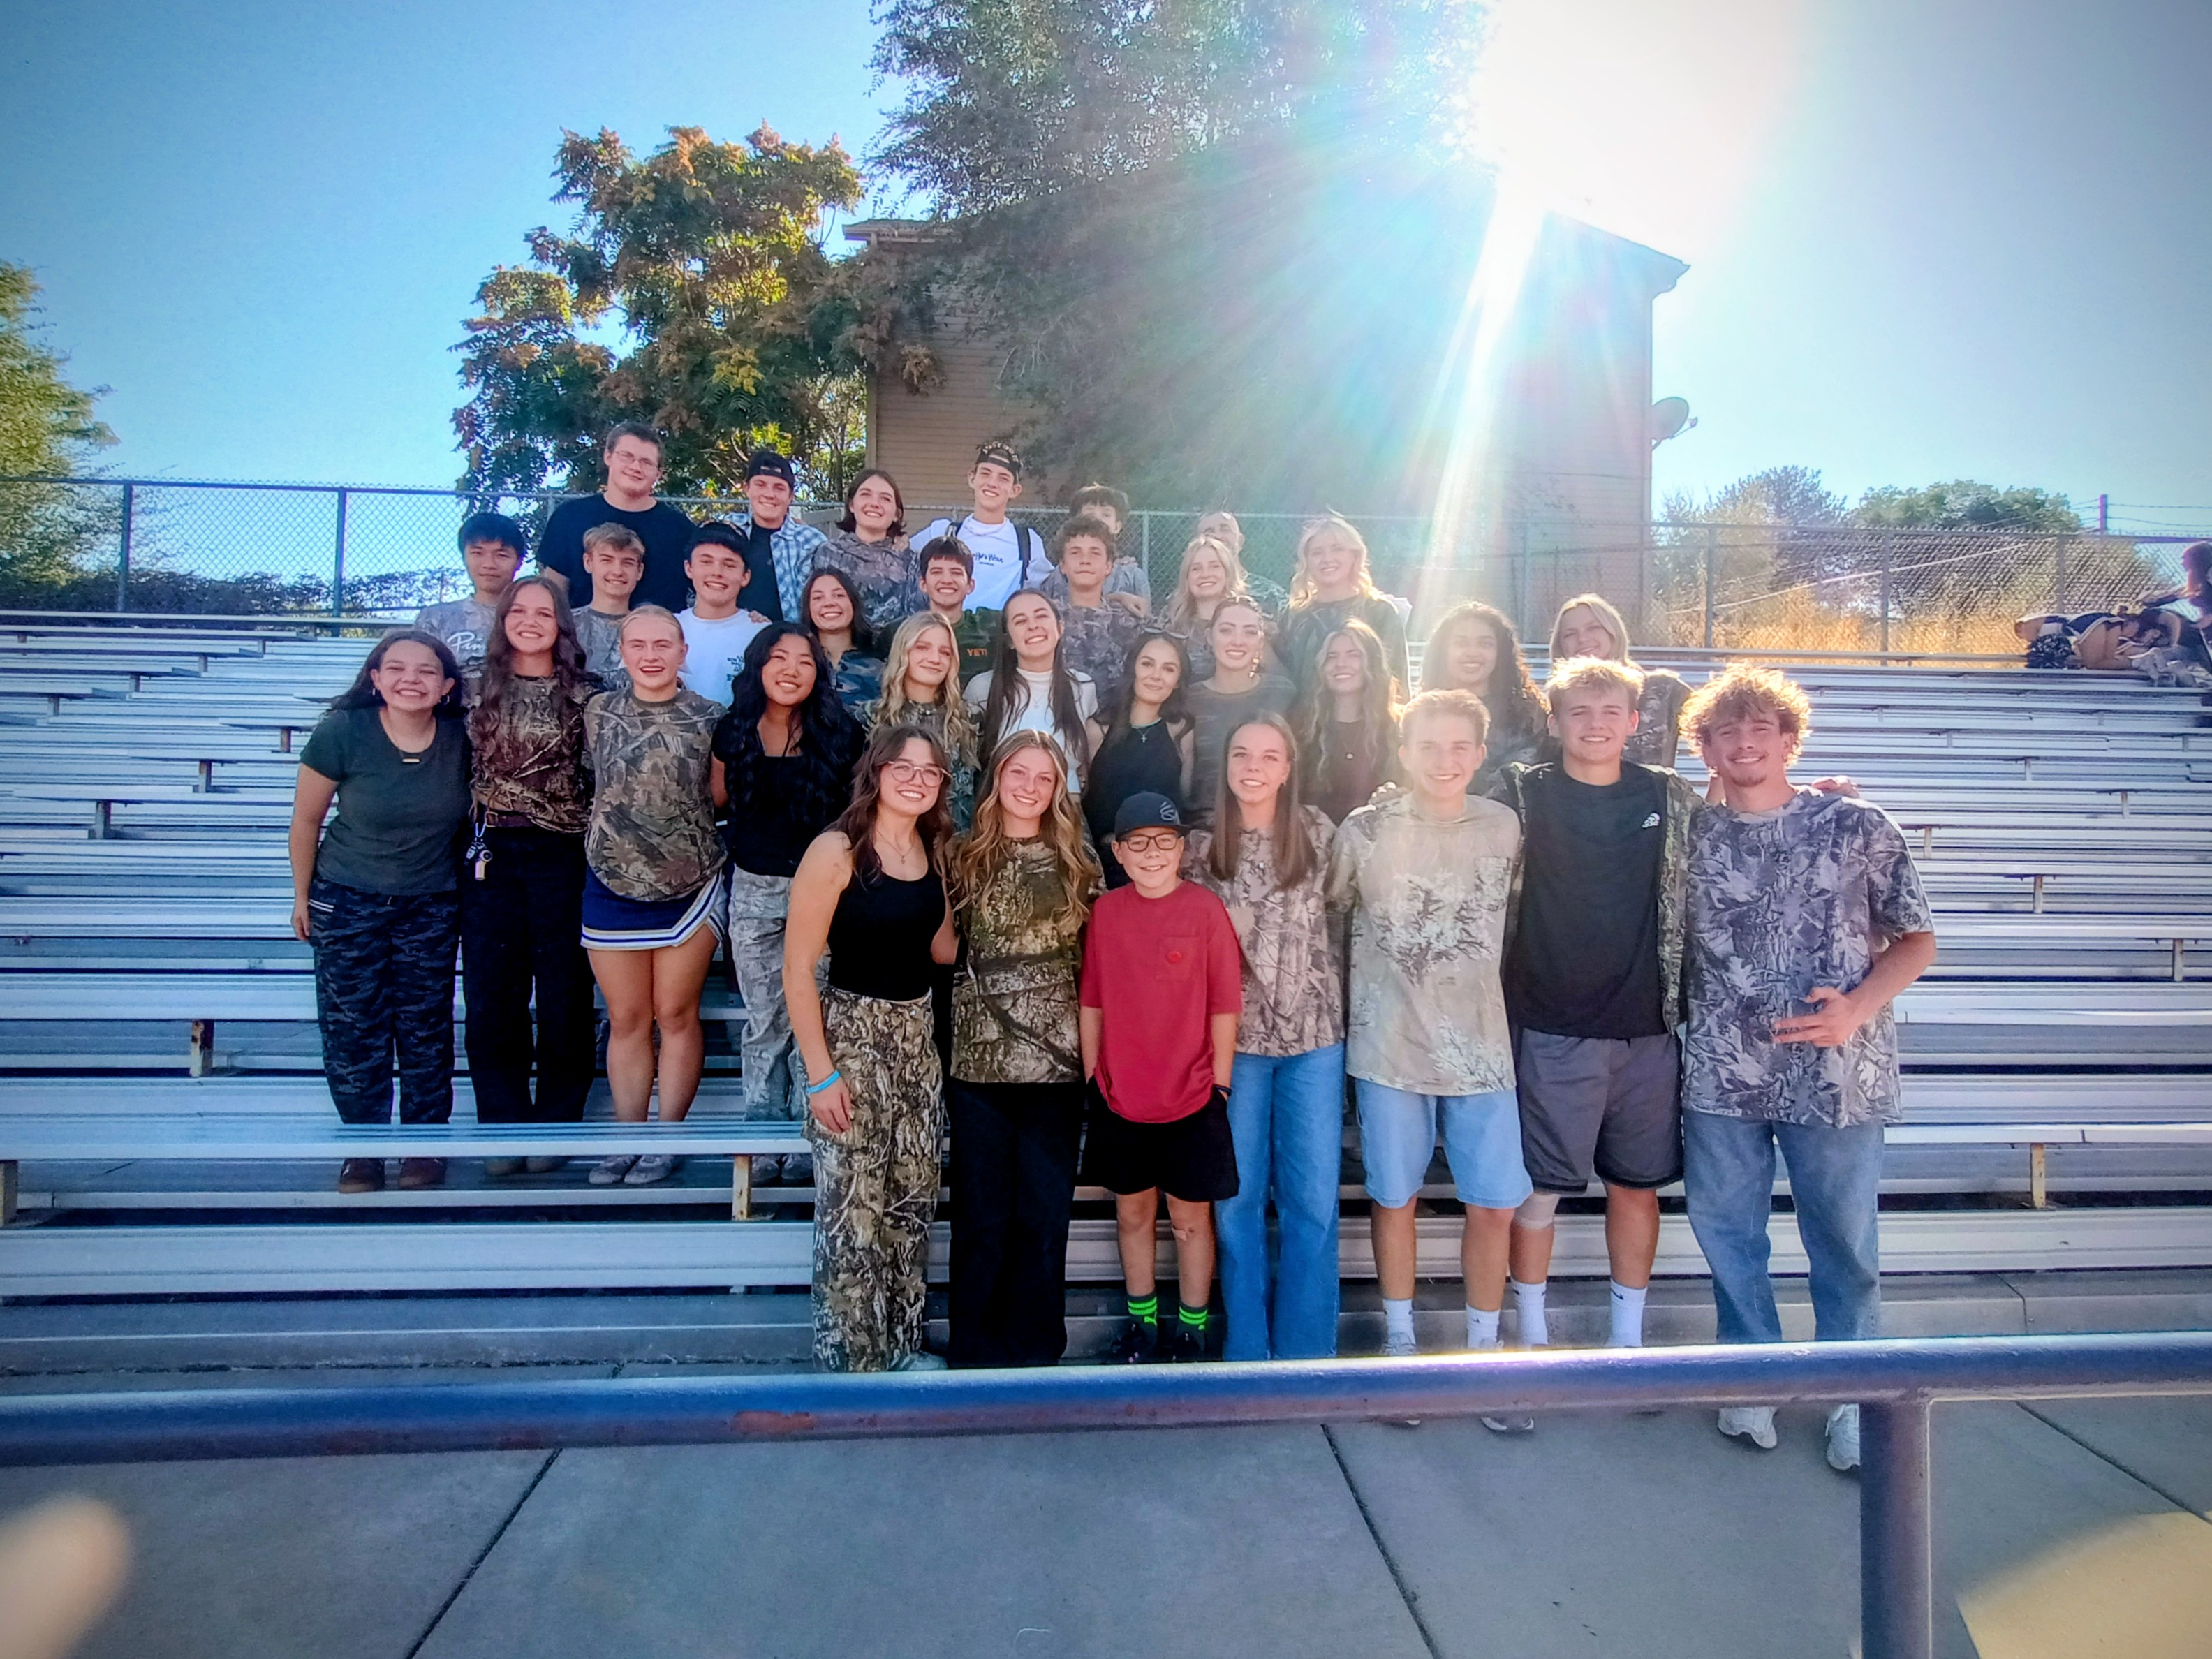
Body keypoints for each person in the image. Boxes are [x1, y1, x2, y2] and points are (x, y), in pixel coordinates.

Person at [1679, 664, 1936, 1472]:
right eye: (1728, 730)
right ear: (1708, 749)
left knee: (1844, 1242)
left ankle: (1852, 1393)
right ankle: (1750, 1374)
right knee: (1728, 1233)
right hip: (1723, 1066)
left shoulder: (1855, 823)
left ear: (1790, 739)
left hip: (1836, 1072)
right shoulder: (1692, 833)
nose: (1746, 741)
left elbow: (1918, 939)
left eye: (1762, 727)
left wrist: (1857, 1008)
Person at [1489, 657, 1702, 1368]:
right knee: (1540, 1194)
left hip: (1646, 1029)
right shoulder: (1524, 793)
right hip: (1553, 1026)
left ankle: (1627, 1344)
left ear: (1635, 723)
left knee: (1636, 1191)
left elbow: (1744, 821)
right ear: (1554, 722)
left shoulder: (1668, 796)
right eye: (1579, 711)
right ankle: (1532, 1339)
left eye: (1611, 711)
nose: (1596, 724)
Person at [1327, 690, 1531, 1376]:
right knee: (1394, 1198)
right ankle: (1401, 1341)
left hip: (1481, 1051)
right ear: (1404, 751)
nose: (1444, 761)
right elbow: (1327, 920)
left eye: (1458, 747)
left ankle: (1483, 1348)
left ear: (1479, 753)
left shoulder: (1505, 826)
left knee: (1495, 1206)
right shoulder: (1364, 830)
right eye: (1428, 746)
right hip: (1388, 1049)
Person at [784, 724, 960, 1371]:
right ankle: (853, 1369)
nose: (916, 780)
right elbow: (797, 969)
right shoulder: (836, 850)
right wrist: (821, 1074)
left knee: (910, 1204)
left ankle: (901, 1350)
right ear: (877, 771)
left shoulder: (930, 849)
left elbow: (942, 949)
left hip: (917, 1042)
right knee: (852, 1217)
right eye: (903, 767)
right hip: (854, 1038)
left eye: (930, 772)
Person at [1184, 714, 1345, 1361]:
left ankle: (1307, 1355)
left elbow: (1345, 920)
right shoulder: (1199, 849)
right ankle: (1247, 1351)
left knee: (1311, 1202)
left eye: (1269, 756)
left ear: (1287, 768)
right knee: (1237, 1202)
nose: (1253, 765)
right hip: (1236, 1048)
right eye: (1241, 752)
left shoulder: (1320, 833)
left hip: (1315, 1039)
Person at [288, 630, 471, 1194]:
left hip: (431, 902)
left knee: (425, 1027)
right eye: (396, 668)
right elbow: (306, 821)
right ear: (375, 678)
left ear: (446, 687)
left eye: (425, 672)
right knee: (353, 1028)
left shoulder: (462, 740)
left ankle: (423, 1146)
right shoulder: (345, 732)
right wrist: (301, 896)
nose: (410, 680)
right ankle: (361, 1149)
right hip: (348, 896)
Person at [945, 731, 1101, 1368]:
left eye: (1045, 777)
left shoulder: (1078, 862)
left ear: (1059, 789)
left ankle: (1036, 1352)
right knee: (981, 1220)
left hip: (1056, 1067)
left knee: (1042, 1219)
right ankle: (975, 1352)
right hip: (977, 1063)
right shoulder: (960, 856)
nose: (1031, 787)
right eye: (1020, 772)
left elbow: (1096, 964)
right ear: (999, 776)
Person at [1080, 791, 1244, 1362]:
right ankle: (1143, 1326)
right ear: (1119, 853)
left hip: (1193, 1096)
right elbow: (1093, 1000)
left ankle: (1192, 1330)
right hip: (1122, 1097)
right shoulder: (1106, 913)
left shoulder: (1204, 910)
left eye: (1165, 841)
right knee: (1133, 1214)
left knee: (1191, 1222)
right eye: (1138, 843)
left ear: (1183, 849)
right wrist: (1094, 1077)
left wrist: (1219, 1084)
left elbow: (1225, 1002)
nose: (1153, 853)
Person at [579, 607, 728, 1188]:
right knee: (628, 1017)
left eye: (662, 644)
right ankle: (626, 1138)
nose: (650, 654)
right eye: (637, 644)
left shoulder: (711, 718)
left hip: (689, 884)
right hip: (611, 879)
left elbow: (718, 797)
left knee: (675, 1013)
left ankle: (667, 1139)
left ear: (682, 651)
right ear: (622, 651)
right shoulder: (598, 713)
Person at [713, 624, 864, 1169]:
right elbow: (719, 797)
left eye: (804, 661)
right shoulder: (733, 730)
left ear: (818, 672)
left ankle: (808, 1142)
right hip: (752, 889)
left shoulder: (842, 733)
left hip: (819, 893)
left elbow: (855, 813)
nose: (791, 670)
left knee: (812, 1016)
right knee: (764, 1019)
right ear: (759, 667)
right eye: (778, 658)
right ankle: (760, 1138)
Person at [460, 579, 598, 1175]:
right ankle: (502, 1122)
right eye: (520, 611)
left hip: (564, 851)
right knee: (494, 992)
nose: (532, 621)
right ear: (503, 618)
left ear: (562, 624)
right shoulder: (469, 686)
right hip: (490, 850)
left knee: (565, 990)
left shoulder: (588, 695)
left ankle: (557, 1122)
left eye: (545, 612)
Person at [536, 422, 698, 612]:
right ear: (608, 456)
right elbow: (555, 591)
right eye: (627, 456)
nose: (636, 467)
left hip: (656, 639)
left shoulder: (680, 529)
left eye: (646, 462)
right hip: (581, 638)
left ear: (658, 474)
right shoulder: (570, 517)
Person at [1084, 631, 1195, 887]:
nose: (1156, 676)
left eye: (1168, 669)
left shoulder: (1181, 730)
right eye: (1147, 663)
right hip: (1107, 866)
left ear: (1178, 681)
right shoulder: (1098, 729)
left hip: (1162, 867)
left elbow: (1184, 798)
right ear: (1132, 667)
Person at [966, 589, 1099, 795]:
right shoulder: (982, 688)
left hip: (1067, 815)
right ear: (1009, 640)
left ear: (1060, 628)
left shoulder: (1083, 687)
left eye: (1041, 616)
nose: (1033, 626)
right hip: (1002, 816)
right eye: (1020, 621)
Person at [1422, 600, 1553, 792]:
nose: (1473, 653)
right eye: (1461, 643)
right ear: (1443, 651)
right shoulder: (1420, 713)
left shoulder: (1531, 714)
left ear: (1500, 653)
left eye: (1485, 644)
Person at [1551, 592, 1691, 768]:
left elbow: (1722, 729)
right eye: (1570, 634)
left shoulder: (1664, 690)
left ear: (1613, 632)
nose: (1583, 639)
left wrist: (1716, 788)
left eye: (1593, 628)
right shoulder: (1556, 703)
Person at [1184, 596, 1296, 817]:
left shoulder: (1284, 694)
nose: (1238, 641)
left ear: (1261, 642)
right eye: (1226, 630)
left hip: (1270, 826)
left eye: (1249, 632)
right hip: (1204, 827)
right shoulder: (1189, 699)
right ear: (1209, 637)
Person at [1274, 515, 1410, 695]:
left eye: (1337, 549)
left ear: (1355, 556)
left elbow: (1397, 677)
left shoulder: (1380, 612)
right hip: (1303, 719)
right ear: (1306, 561)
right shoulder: (1294, 616)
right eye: (1317, 552)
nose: (1327, 559)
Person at [870, 611, 981, 831]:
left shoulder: (970, 718)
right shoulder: (870, 717)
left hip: (954, 848)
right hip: (886, 846)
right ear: (903, 650)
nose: (935, 659)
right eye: (922, 647)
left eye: (945, 652)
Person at [910, 441, 1050, 611]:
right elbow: (899, 556)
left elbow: (1046, 590)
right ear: (972, 478)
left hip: (1001, 635)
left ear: (1015, 490)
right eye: (985, 473)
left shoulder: (1028, 542)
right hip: (947, 633)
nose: (992, 483)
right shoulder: (942, 532)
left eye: (1003, 478)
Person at [1297, 619, 1399, 823]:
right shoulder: (1301, 728)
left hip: (1376, 843)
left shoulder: (1400, 727)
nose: (1341, 664)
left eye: (1354, 655)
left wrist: (1397, 796)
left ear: (1373, 661)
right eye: (1331, 657)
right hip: (1313, 842)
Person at [1047, 515, 1146, 705]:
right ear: (1062, 566)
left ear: (1108, 566)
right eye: (1075, 553)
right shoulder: (1047, 620)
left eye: (1095, 553)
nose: (1085, 560)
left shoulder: (1130, 624)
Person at [814, 466, 919, 636]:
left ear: (897, 514)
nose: (874, 504)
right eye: (865, 494)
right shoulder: (828, 554)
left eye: (885, 498)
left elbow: (917, 620)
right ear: (852, 505)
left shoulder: (910, 560)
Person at [415, 512, 525, 670]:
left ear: (519, 562)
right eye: (478, 553)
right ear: (464, 557)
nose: (489, 564)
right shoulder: (435, 619)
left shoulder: (536, 618)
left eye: (501, 555)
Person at [729, 450, 830, 624]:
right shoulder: (728, 530)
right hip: (734, 637)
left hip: (792, 641)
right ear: (747, 489)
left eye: (779, 488)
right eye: (760, 484)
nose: (770, 494)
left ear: (791, 496)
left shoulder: (812, 542)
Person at [675, 523, 767, 705]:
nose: (717, 572)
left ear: (745, 576)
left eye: (729, 565)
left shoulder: (762, 634)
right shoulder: (666, 628)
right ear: (689, 568)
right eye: (706, 562)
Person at [1040, 482, 1149, 612]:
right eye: (1090, 514)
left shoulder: (1133, 577)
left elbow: (1144, 617)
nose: (1098, 520)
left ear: (1117, 527)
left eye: (1106, 515)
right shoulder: (1059, 574)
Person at [913, 535, 1001, 686]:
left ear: (970, 585)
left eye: (956, 572)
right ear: (923, 584)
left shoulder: (991, 625)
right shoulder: (902, 632)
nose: (946, 580)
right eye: (937, 572)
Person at [1161, 533, 1250, 679]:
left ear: (1228, 573)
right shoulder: (1170, 622)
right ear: (1187, 577)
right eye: (1196, 569)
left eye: (1215, 566)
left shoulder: (1249, 619)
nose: (1205, 574)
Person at [570, 523, 644, 692]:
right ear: (588, 562)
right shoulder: (565, 624)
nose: (617, 571)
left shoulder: (649, 629)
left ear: (639, 571)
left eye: (627, 563)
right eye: (607, 560)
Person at [802, 567, 884, 708]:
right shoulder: (799, 664)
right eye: (818, 598)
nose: (829, 603)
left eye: (839, 596)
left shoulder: (881, 667)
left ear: (853, 603)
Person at [1192, 510, 1290, 613]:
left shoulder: (1272, 595)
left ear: (1240, 541)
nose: (1218, 536)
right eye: (1209, 532)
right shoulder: (1182, 601)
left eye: (1225, 529)